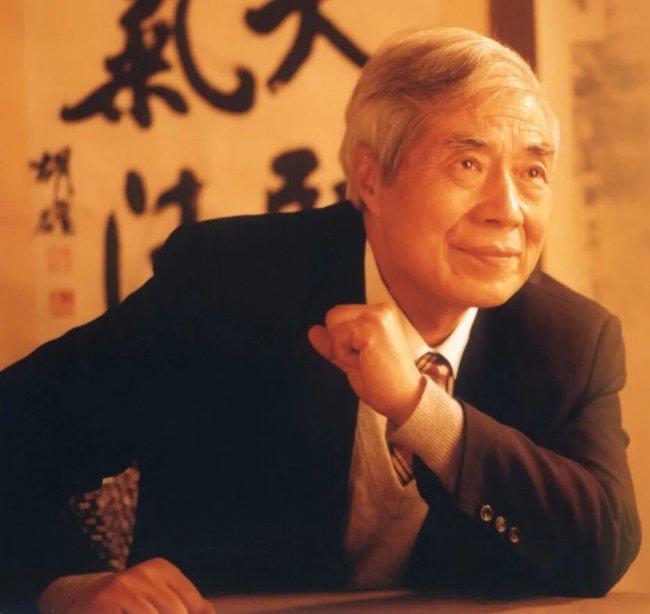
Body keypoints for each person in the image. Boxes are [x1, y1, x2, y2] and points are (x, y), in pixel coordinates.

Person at [0, 26, 640, 613]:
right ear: (371, 176)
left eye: (533, 171)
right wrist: (67, 586)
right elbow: (15, 436)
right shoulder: (228, 285)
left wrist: (423, 411)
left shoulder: (570, 339)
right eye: (468, 164)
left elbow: (601, 549)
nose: (508, 209)